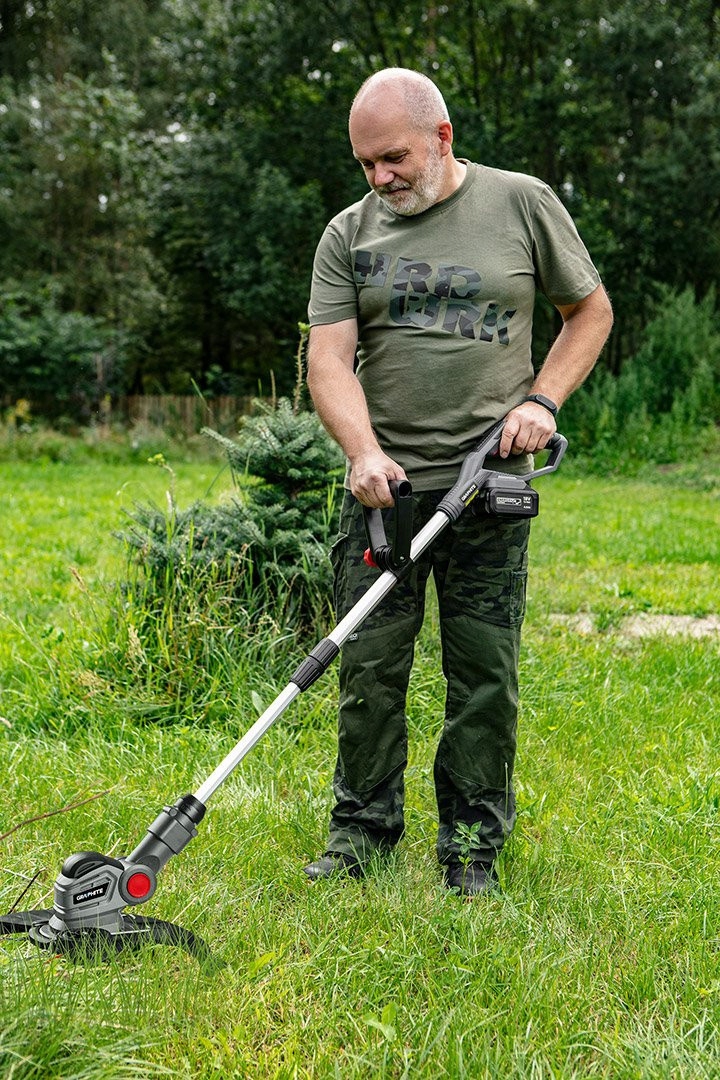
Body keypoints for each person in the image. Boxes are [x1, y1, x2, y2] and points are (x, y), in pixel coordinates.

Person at [304, 68, 613, 896]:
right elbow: (328, 358)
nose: (380, 178)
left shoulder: (521, 203)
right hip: (385, 497)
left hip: (487, 488)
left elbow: (590, 310)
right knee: (369, 670)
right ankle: (360, 834)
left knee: (483, 671)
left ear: (442, 137)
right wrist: (363, 451)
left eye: (393, 157)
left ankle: (472, 844)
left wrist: (544, 399)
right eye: (366, 163)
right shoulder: (347, 234)